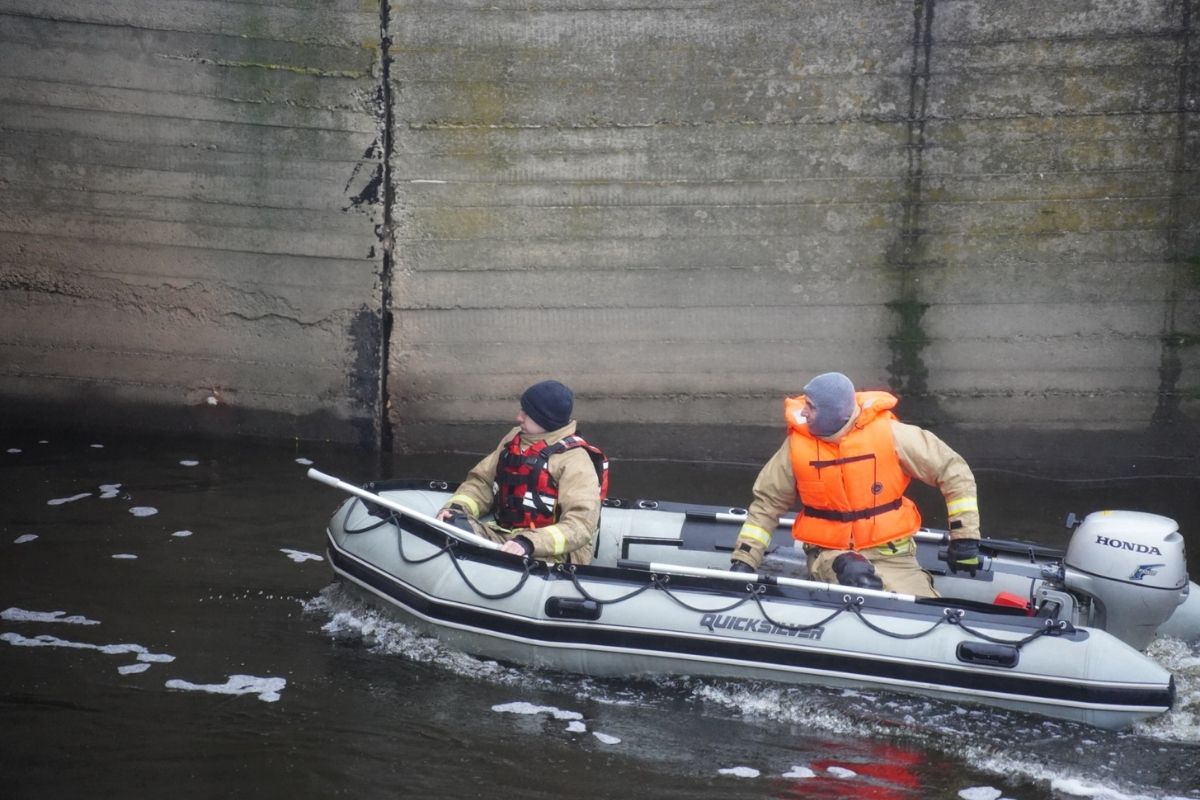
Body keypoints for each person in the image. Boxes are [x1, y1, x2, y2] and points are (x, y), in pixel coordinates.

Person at [728, 372, 980, 597]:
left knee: (924, 611)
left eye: (811, 407)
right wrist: (745, 559)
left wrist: (964, 536)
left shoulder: (892, 435)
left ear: (838, 413)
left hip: (893, 556)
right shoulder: (796, 447)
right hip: (831, 554)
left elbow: (953, 471)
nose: (803, 412)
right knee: (857, 578)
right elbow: (767, 503)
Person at [435, 380, 608, 565]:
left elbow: (580, 524)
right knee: (453, 526)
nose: (519, 417)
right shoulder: (514, 438)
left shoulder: (575, 461)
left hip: (552, 552)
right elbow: (482, 482)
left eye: (527, 414)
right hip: (506, 534)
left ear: (545, 419)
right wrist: (457, 508)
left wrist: (529, 543)